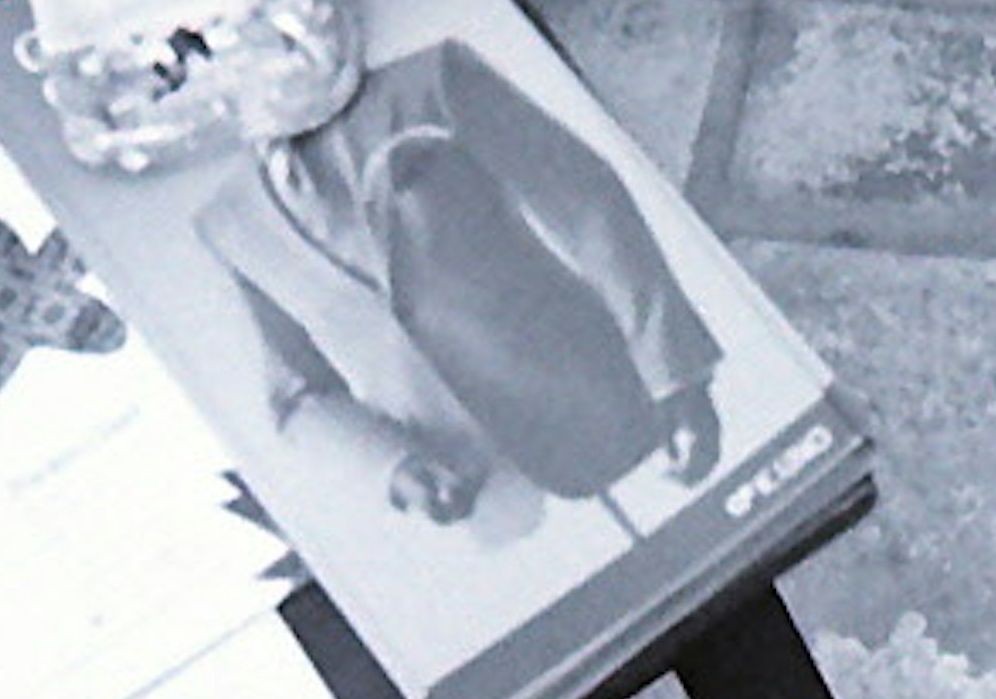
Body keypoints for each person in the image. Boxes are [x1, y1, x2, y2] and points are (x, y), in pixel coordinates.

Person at [197, 36, 733, 521]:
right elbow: (297, 396)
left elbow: (586, 204)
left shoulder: (429, 81)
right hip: (474, 493)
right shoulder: (229, 222)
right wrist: (395, 468)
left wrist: (672, 371)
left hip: (602, 406)